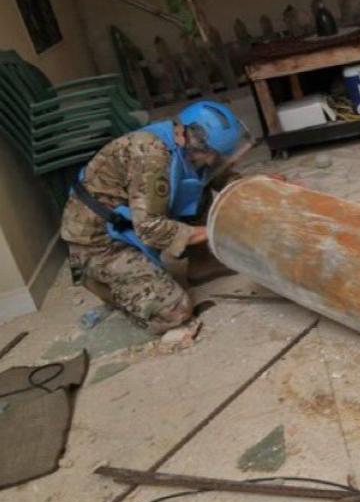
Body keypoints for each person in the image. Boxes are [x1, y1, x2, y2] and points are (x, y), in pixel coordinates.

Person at [60, 100, 246, 334]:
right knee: (175, 312)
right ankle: (102, 281)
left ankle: (202, 264)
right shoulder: (151, 156)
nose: (212, 161)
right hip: (99, 240)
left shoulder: (185, 144)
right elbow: (150, 228)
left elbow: (216, 174)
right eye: (210, 154)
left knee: (197, 187)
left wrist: (255, 187)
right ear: (188, 136)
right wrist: (212, 231)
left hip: (130, 219)